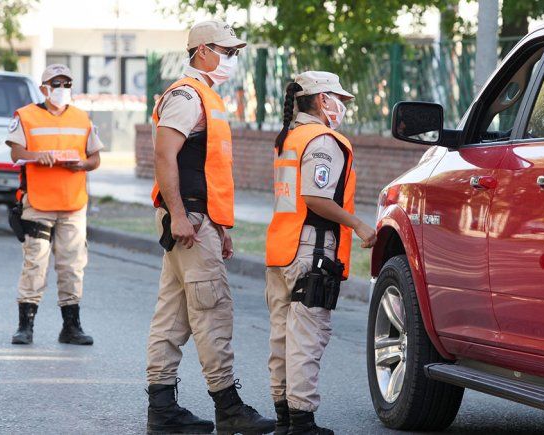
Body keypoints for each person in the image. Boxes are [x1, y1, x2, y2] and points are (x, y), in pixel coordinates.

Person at [144, 21, 275, 435]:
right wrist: (181, 215)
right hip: (189, 221)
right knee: (212, 309)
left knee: (174, 315)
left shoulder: (206, 96)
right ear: (201, 50)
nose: (232, 60)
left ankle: (162, 411)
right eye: (226, 51)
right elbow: (165, 157)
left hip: (200, 221)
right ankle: (228, 406)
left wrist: (219, 225)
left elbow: (207, 169)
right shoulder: (187, 95)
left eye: (235, 53)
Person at [265, 72, 377, 434]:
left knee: (283, 338)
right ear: (322, 99)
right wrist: (358, 224)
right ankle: (302, 421)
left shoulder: (291, 138)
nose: (342, 106)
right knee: (306, 339)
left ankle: (285, 417)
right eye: (339, 99)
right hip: (311, 251)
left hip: (282, 248)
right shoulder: (323, 140)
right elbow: (316, 198)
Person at [6, 64, 102, 346]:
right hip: (38, 202)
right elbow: (15, 153)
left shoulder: (82, 118)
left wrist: (82, 164)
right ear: (44, 87)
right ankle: (26, 326)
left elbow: (95, 158)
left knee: (72, 266)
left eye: (66, 84)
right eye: (56, 83)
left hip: (73, 204)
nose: (62, 89)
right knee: (35, 263)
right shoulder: (26, 116)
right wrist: (38, 155)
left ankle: (71, 327)